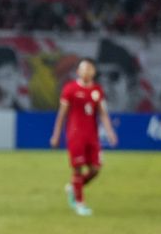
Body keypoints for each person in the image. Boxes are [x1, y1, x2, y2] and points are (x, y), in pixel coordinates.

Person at [50, 58, 119, 216]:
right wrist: (56, 135)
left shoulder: (97, 91)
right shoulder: (70, 89)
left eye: (89, 69)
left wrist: (110, 132)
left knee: (95, 169)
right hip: (75, 135)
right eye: (84, 69)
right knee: (78, 169)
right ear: (78, 72)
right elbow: (62, 114)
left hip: (92, 136)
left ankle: (73, 187)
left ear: (94, 72)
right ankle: (80, 204)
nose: (87, 71)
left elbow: (102, 113)